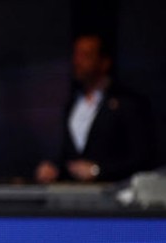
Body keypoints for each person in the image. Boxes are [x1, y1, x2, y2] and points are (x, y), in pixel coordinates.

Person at [35, 33, 155, 184]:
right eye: (76, 55)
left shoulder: (126, 103)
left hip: (115, 194)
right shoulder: (72, 104)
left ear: (104, 62)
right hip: (76, 195)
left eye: (86, 55)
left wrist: (99, 170)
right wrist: (54, 169)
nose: (77, 61)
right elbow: (71, 155)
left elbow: (142, 157)